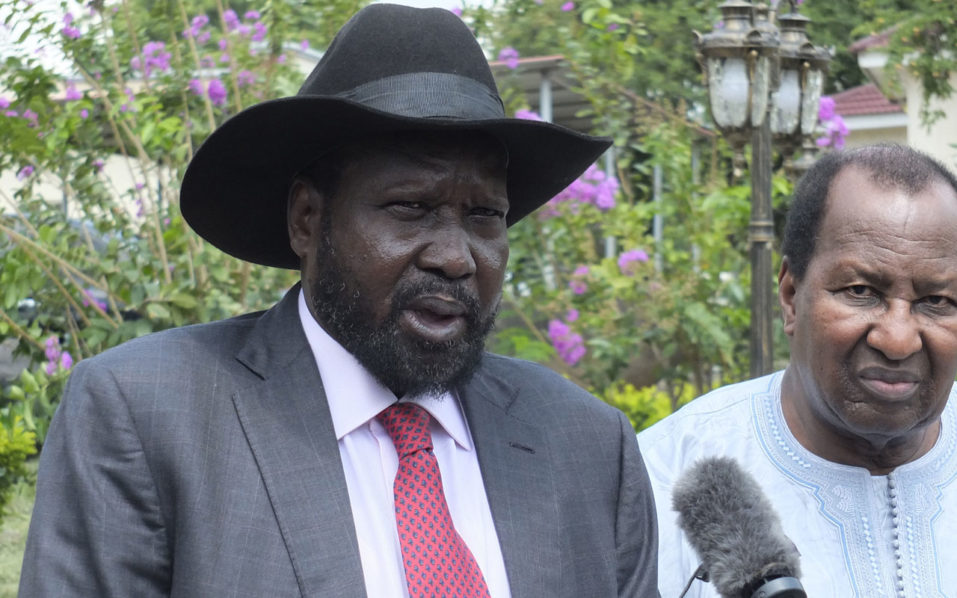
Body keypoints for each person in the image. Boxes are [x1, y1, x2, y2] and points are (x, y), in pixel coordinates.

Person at [18, 4, 659, 598]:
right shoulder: (147, 414)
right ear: (307, 220)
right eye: (410, 207)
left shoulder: (588, 445)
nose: (457, 256)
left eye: (486, 215)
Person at [638, 143, 957, 597]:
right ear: (791, 296)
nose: (898, 339)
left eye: (937, 301)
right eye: (861, 291)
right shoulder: (658, 480)